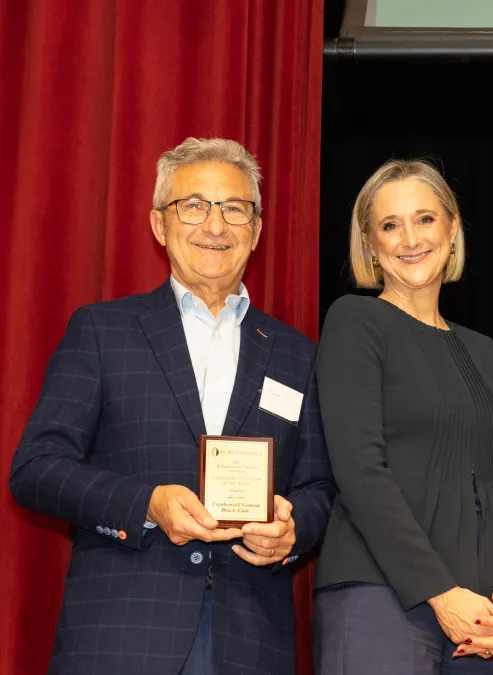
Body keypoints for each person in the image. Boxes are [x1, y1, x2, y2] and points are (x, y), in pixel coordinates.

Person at [9, 137, 335, 675]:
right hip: (122, 632)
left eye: (235, 208)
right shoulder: (101, 330)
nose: (215, 225)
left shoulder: (298, 354)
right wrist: (147, 504)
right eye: (194, 205)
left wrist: (294, 529)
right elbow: (36, 469)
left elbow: (320, 487)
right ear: (160, 225)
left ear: (255, 230)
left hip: (250, 639)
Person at [311, 159, 493, 674]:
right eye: (390, 225)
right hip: (379, 597)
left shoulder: (483, 351)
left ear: (453, 228)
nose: (410, 238)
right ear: (369, 243)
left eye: (425, 219)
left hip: (479, 617)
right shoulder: (356, 321)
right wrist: (440, 592)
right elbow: (360, 471)